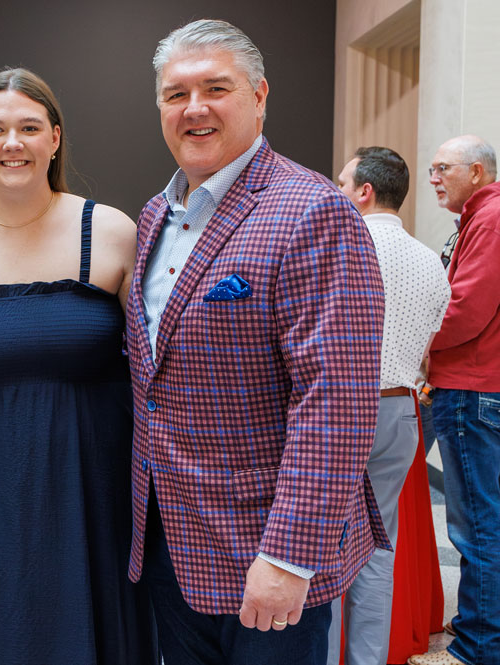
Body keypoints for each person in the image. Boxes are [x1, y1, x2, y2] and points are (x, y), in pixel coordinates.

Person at [126, 20, 388, 665]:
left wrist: (289, 555)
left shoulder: (313, 210)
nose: (194, 109)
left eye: (216, 87)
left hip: (264, 548)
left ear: (260, 95)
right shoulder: (157, 215)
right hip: (169, 538)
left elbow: (336, 400)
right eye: (174, 94)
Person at [0, 68, 154, 664]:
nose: (12, 143)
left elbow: (156, 378)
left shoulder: (111, 232)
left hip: (94, 488)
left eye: (28, 127)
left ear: (55, 137)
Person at [329, 147, 450, 665]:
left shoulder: (339, 246)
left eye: (341, 184)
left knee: (321, 546)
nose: (336, 193)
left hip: (339, 410)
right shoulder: (430, 261)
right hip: (401, 411)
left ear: (364, 192)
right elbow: (429, 343)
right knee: (379, 548)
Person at [409, 135, 500, 665]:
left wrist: (417, 344)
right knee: (486, 520)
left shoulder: (488, 218)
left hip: (471, 389)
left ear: (478, 173)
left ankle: (477, 648)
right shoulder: (482, 216)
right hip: (479, 386)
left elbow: (466, 308)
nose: (434, 177)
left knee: (477, 526)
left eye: (443, 167)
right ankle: (478, 625)